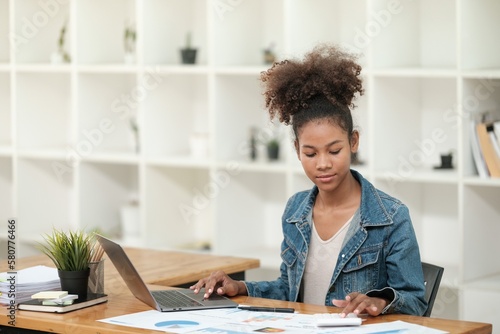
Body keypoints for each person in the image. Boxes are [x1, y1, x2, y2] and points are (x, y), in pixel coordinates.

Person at [190, 44, 427, 317]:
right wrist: (239, 287)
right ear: (296, 150)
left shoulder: (390, 217)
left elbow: (416, 302)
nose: (323, 163)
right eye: (310, 153)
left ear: (354, 142)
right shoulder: (295, 211)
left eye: (334, 150)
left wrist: (381, 303)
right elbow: (287, 290)